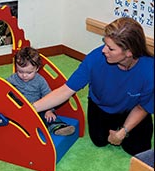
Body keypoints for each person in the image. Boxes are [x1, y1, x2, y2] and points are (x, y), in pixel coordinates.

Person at [32, 17, 154, 155]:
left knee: (139, 150)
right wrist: (31, 108)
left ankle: (123, 128)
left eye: (111, 48)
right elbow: (66, 90)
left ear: (129, 52)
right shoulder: (95, 59)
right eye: (104, 43)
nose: (103, 50)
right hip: (102, 106)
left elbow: (142, 106)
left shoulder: (149, 69)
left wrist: (123, 131)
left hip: (132, 108)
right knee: (100, 141)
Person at [7, 46, 76, 136]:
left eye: (29, 73)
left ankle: (57, 126)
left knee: (47, 116)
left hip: (37, 108)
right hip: (18, 107)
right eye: (20, 71)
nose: (24, 75)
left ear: (37, 68)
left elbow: (48, 96)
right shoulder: (13, 78)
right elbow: (4, 89)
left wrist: (49, 111)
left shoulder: (40, 81)